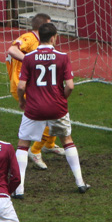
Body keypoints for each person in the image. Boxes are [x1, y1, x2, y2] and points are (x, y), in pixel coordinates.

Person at [15, 22, 89, 197]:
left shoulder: (28, 58)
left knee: (23, 144)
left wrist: (22, 101)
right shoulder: (63, 57)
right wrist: (62, 98)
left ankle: (19, 189)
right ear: (54, 37)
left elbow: (21, 86)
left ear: (39, 37)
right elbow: (70, 86)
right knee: (67, 140)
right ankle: (80, 183)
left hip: (34, 108)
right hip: (57, 107)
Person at [5, 13, 60, 172]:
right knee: (49, 114)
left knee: (54, 111)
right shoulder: (29, 38)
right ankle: (34, 151)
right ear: (42, 26)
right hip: (22, 86)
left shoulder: (41, 42)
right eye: (49, 24)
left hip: (33, 85)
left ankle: (48, 145)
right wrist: (29, 61)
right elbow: (11, 49)